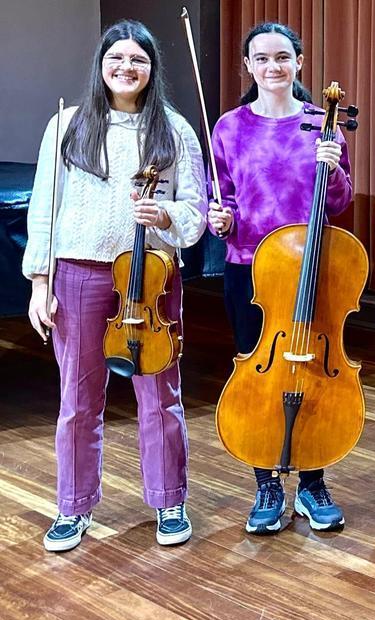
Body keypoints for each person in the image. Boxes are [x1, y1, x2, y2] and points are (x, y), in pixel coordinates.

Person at [24, 20, 205, 552]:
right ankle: (73, 507)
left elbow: (193, 213)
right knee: (78, 399)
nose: (127, 68)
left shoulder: (173, 128)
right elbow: (44, 210)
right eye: (116, 59)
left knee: (160, 396)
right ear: (101, 65)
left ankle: (169, 498)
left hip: (151, 276)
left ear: (152, 69)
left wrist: (165, 214)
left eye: (138, 60)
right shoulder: (67, 125)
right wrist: (40, 282)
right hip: (79, 273)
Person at [208, 22, 353, 534]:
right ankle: (266, 481)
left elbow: (338, 203)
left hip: (310, 270)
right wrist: (217, 218)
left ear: (299, 62)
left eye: (283, 57)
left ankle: (313, 481)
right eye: (262, 58)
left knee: (314, 372)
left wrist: (333, 170)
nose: (273, 67)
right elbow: (220, 196)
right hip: (248, 267)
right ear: (248, 66)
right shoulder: (228, 126)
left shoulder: (322, 123)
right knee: (259, 377)